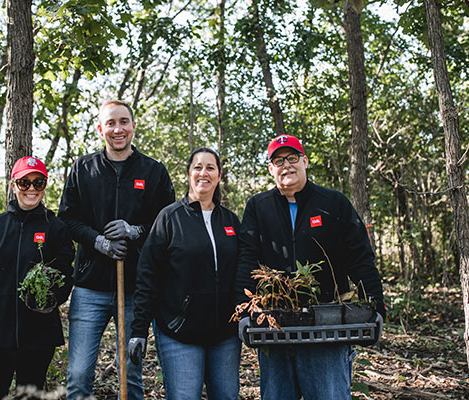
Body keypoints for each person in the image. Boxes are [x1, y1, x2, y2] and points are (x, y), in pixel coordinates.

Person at [235, 134, 386, 400]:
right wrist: (244, 312)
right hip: (275, 327)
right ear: (271, 168)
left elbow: (359, 257)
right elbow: (247, 259)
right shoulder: (258, 207)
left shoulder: (333, 203)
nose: (287, 165)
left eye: (293, 158)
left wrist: (377, 305)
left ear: (305, 161)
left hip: (327, 327)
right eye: (278, 160)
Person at [58, 99, 175, 400]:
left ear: (133, 126)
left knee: (131, 372)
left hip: (136, 288)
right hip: (89, 288)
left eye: (123, 122)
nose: (118, 129)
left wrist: (136, 231)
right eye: (110, 123)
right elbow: (67, 218)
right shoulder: (83, 168)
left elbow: (169, 225)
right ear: (100, 129)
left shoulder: (154, 172)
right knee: (79, 373)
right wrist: (99, 242)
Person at [0, 156, 75, 400]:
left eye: (38, 183)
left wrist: (50, 297)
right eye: (24, 182)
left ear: (45, 185)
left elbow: (65, 275)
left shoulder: (56, 228)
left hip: (38, 336)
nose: (31, 189)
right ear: (13, 185)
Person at [128, 147, 242, 400]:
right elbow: (148, 275)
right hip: (179, 333)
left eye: (210, 167)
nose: (204, 173)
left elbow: (242, 273)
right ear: (188, 174)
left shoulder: (231, 221)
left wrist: (244, 314)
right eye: (197, 167)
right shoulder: (169, 218)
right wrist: (139, 330)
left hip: (225, 335)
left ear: (219, 175)